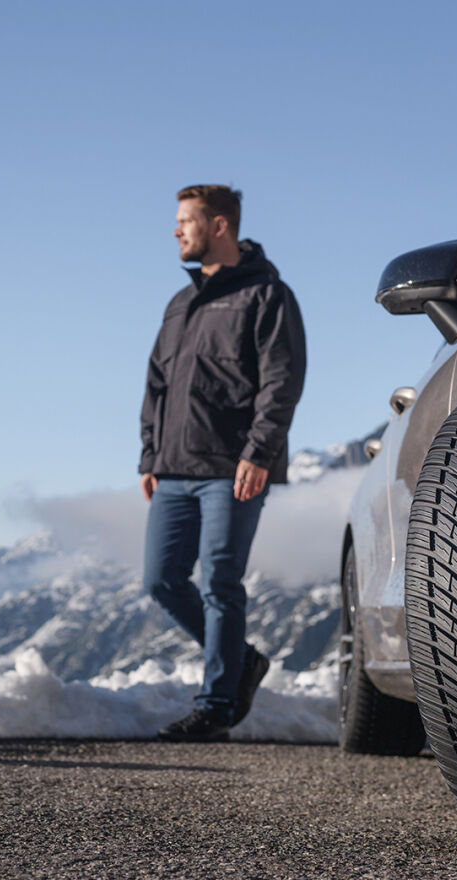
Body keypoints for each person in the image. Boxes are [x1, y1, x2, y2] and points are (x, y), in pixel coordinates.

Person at [139, 184, 306, 742]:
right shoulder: (178, 304)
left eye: (185, 220)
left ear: (219, 227)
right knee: (161, 580)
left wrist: (259, 453)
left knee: (219, 581)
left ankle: (215, 705)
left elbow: (281, 381)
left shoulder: (267, 295)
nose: (176, 230)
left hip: (231, 468)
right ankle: (243, 661)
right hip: (172, 468)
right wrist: (149, 455)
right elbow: (157, 384)